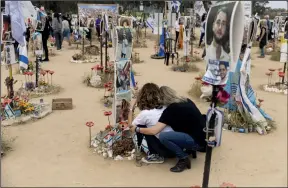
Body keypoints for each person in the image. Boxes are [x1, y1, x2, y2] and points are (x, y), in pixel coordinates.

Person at [130, 86, 207, 173]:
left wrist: (137, 129)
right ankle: (188, 150)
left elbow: (154, 130)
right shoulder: (186, 100)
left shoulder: (171, 110)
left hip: (195, 142)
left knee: (164, 136)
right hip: (203, 136)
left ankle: (183, 158)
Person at [127, 83, 175, 164]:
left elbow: (131, 126)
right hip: (176, 146)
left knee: (139, 127)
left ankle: (155, 154)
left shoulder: (145, 114)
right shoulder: (165, 107)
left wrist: (131, 108)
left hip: (165, 150)